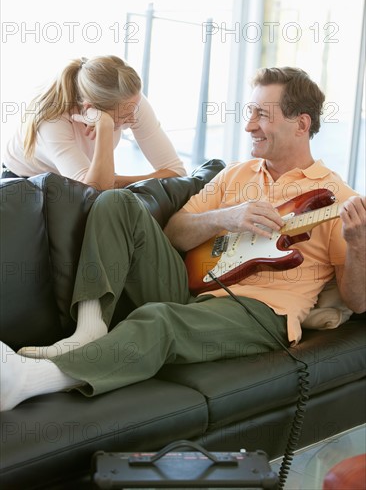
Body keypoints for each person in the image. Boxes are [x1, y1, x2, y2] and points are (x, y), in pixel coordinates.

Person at [1, 67, 365, 412]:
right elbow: (175, 232)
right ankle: (89, 328)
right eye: (249, 112)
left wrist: (358, 244)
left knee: (159, 320)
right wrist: (227, 216)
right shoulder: (237, 174)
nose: (249, 125)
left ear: (301, 124)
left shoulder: (337, 198)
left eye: (262, 115)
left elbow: (358, 302)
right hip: (195, 287)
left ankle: (30, 381)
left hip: (260, 311)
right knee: (116, 202)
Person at [1, 55, 186, 190]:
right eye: (122, 116)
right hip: (24, 183)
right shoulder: (52, 121)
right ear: (91, 108)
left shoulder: (129, 102)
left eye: (135, 108)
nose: (133, 118)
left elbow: (177, 172)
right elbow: (95, 189)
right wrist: (105, 126)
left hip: (78, 181)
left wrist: (114, 179)